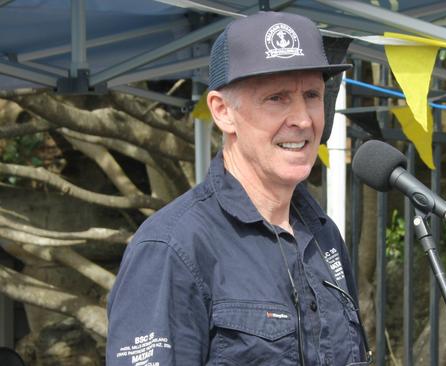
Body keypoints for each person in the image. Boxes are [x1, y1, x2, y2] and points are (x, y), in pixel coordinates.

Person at [106, 11, 370, 366]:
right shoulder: (171, 247)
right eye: (276, 98)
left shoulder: (324, 236)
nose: (304, 119)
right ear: (222, 111)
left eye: (311, 95)